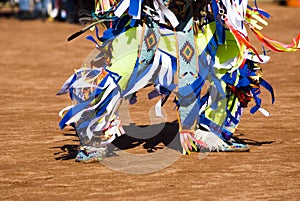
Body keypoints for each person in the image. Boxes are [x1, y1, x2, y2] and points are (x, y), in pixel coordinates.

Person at [57, 0, 300, 162]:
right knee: (126, 67)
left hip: (203, 19)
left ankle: (211, 132)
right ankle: (94, 134)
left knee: (237, 62)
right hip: (150, 21)